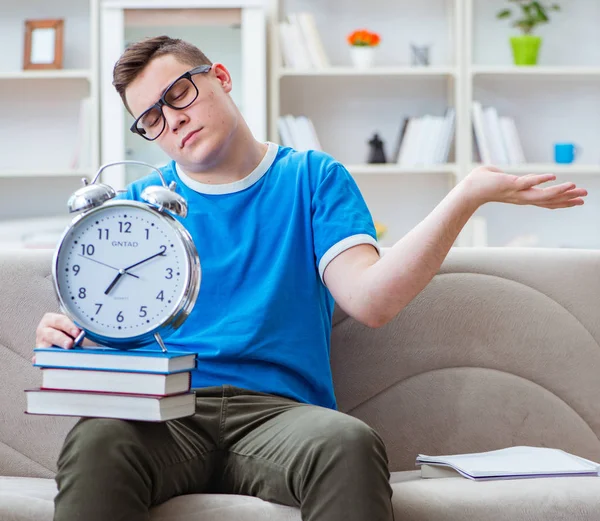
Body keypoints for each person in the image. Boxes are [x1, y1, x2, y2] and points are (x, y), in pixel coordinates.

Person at [35, 36, 587, 521]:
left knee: (348, 444)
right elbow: (109, 324)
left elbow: (371, 301)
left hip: (281, 417)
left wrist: (464, 196)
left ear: (220, 78)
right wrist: (69, 333)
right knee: (97, 440)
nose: (171, 120)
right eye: (151, 118)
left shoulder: (312, 178)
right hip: (167, 411)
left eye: (178, 94)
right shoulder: (132, 205)